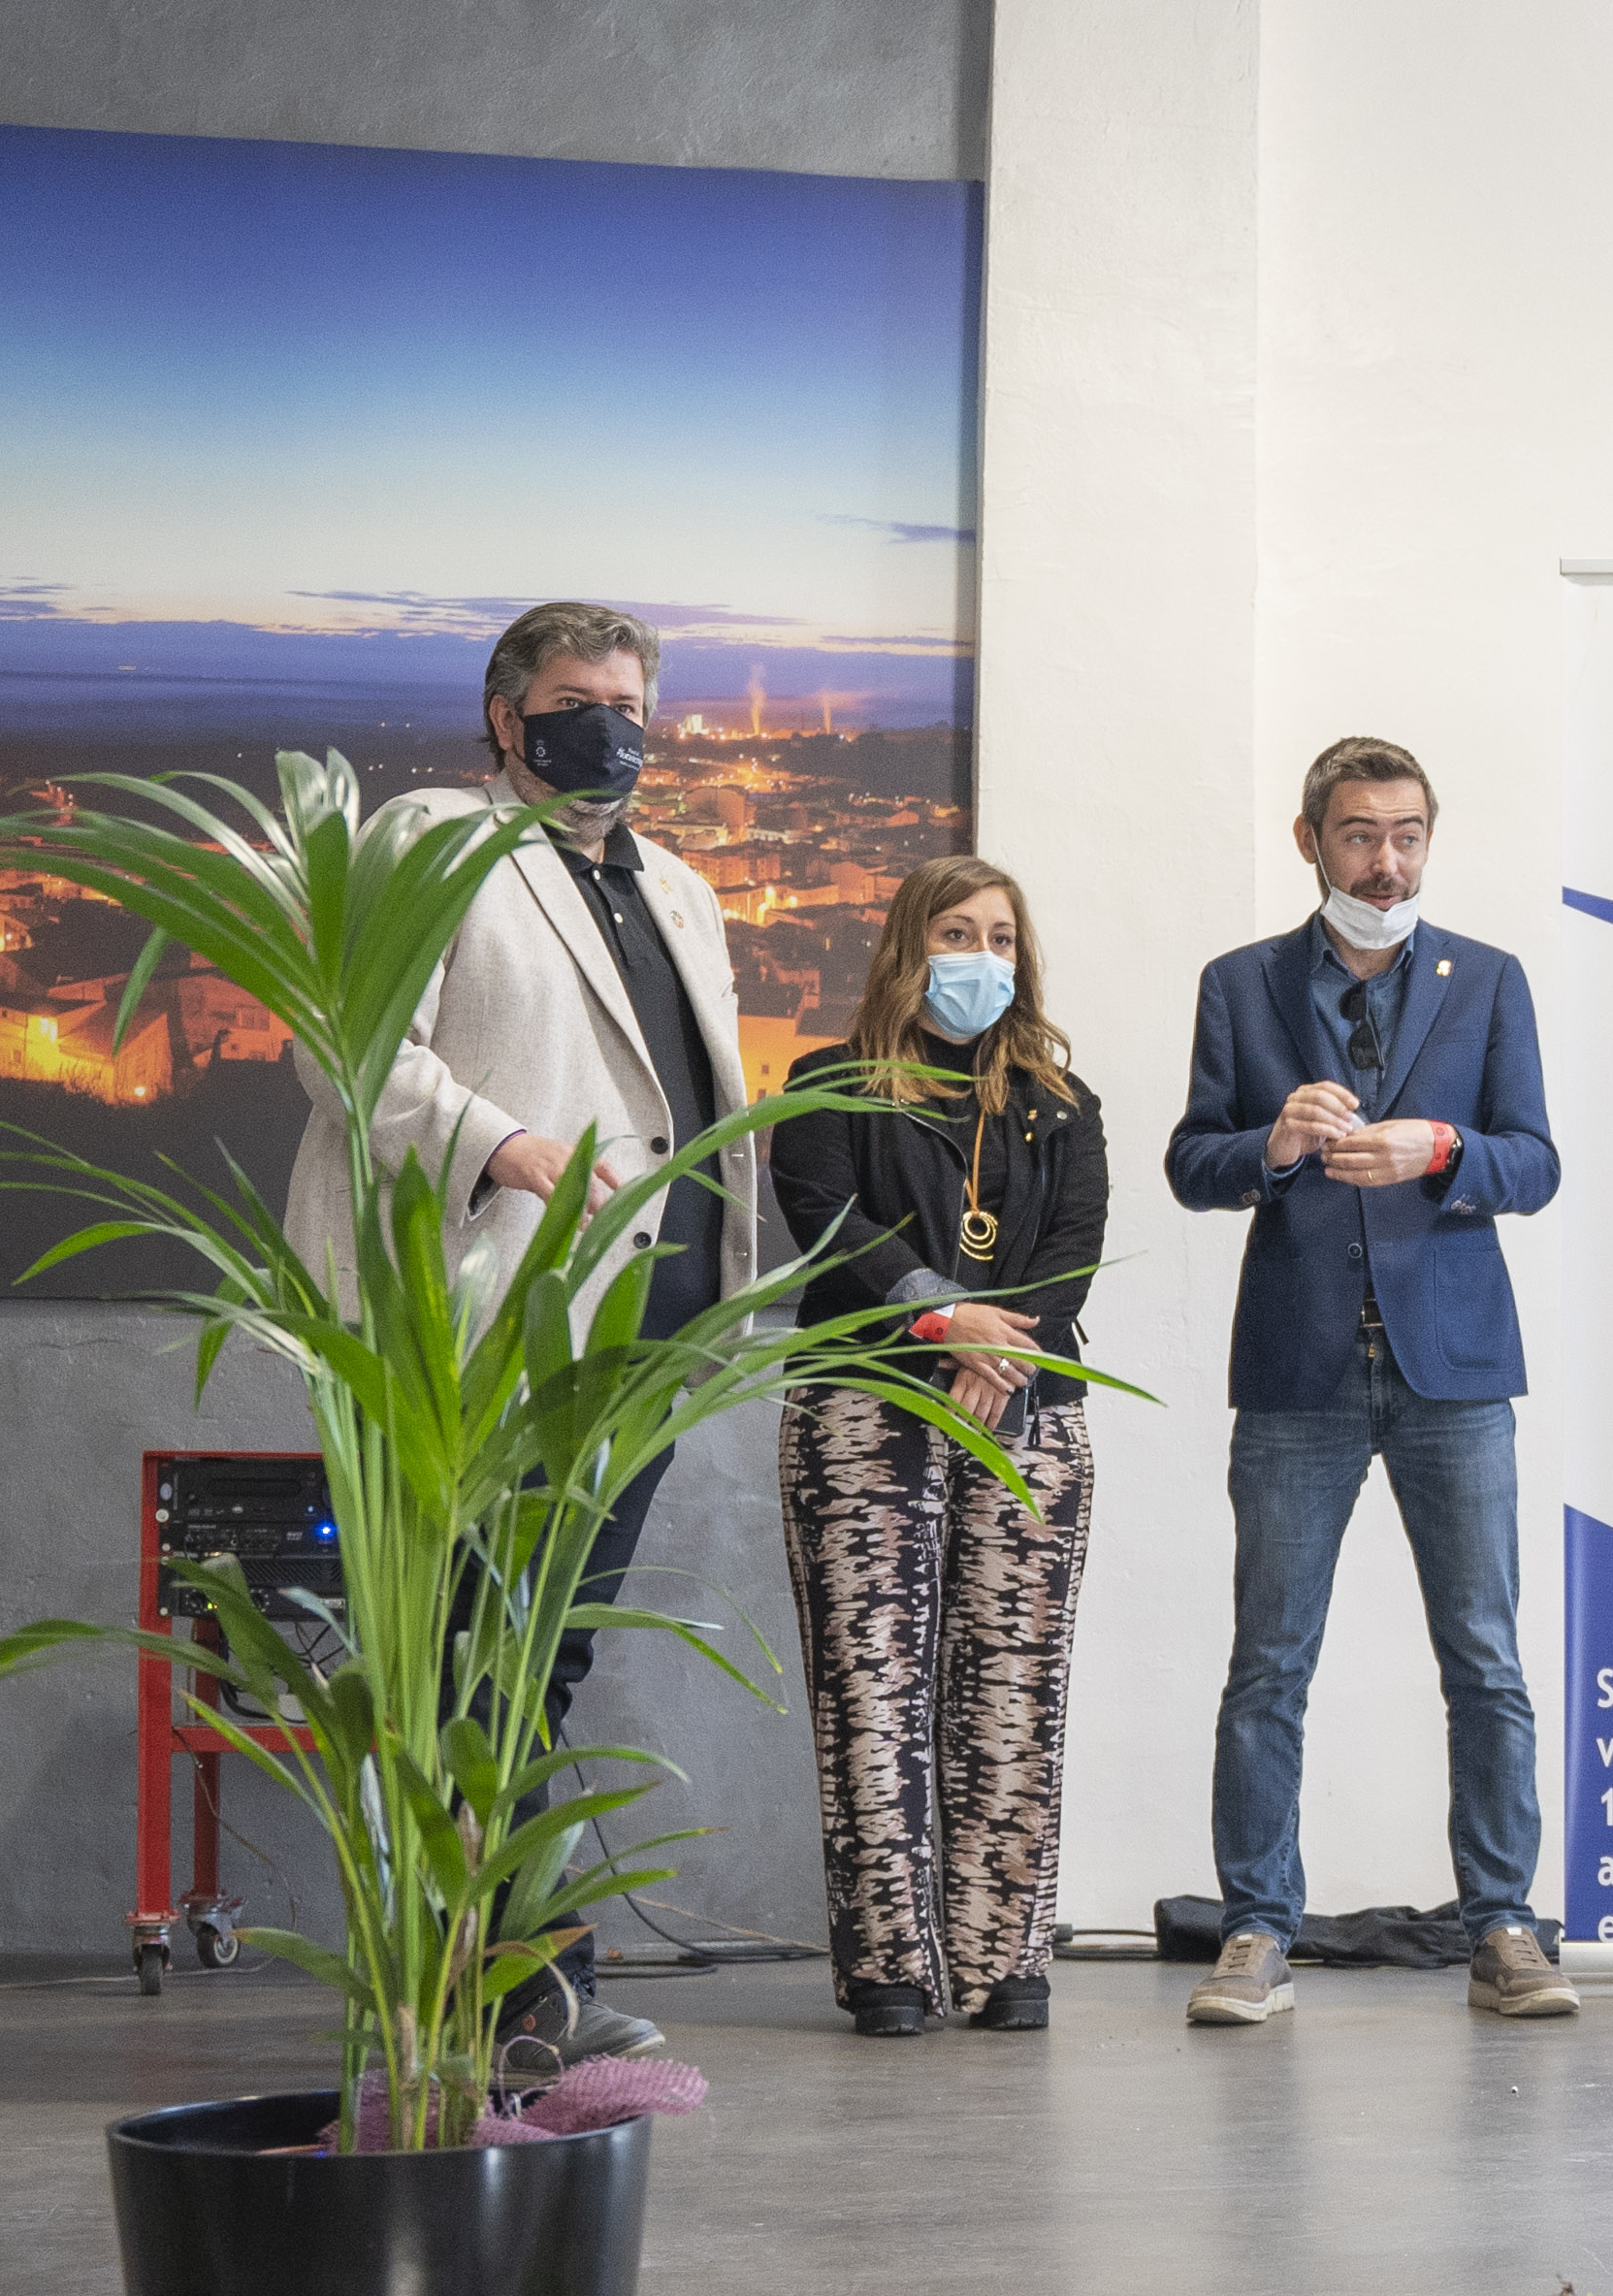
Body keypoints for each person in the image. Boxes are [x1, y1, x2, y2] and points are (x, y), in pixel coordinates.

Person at [283, 598, 752, 2064]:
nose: (607, 728)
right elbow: (342, 1042)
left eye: (629, 705)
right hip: (490, 1310)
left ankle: (521, 1984)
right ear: (506, 718)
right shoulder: (433, 838)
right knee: (474, 1656)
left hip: (653, 1325)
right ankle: (503, 1993)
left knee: (545, 1654)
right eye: (574, 702)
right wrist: (506, 1145)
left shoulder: (680, 889)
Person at [1164, 736, 1565, 2027]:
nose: (1385, 861)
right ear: (1310, 841)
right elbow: (1191, 1160)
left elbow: (1536, 1163)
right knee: (1268, 1664)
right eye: (1358, 835)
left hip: (1454, 1369)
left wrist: (1444, 1147)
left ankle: (1502, 1924)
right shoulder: (1241, 984)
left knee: (1485, 1660)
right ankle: (1254, 1930)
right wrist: (1270, 1145)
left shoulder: (1487, 980)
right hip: (1300, 1370)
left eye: (1405, 834)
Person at [771, 858, 1108, 2039]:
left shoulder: (1062, 1103)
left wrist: (993, 1350)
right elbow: (827, 1220)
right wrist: (940, 1314)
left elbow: (1073, 1248)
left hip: (1028, 1416)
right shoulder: (828, 1085)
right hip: (864, 1413)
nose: (982, 958)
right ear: (909, 947)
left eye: (1002, 938)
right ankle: (889, 1968)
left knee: (1015, 1687)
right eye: (958, 934)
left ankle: (1004, 1958)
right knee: (872, 1692)